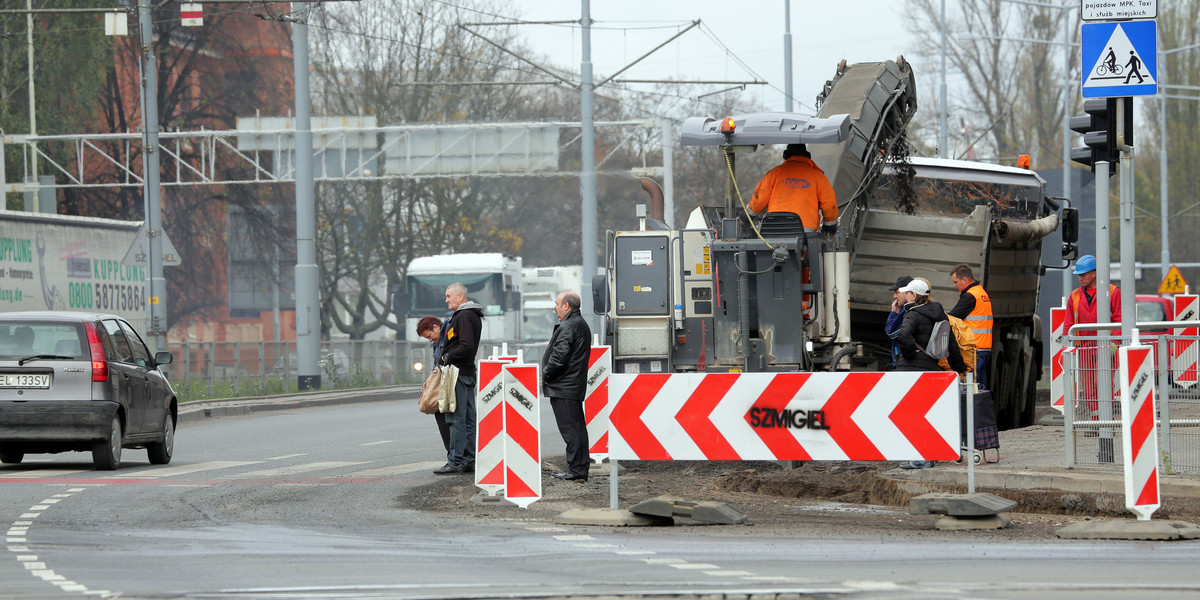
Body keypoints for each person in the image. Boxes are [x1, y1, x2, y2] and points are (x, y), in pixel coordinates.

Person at [895, 279, 968, 469]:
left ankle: (920, 459)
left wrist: (910, 354)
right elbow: (951, 344)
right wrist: (960, 369)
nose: (906, 295)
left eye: (908, 293)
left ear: (914, 296)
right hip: (930, 369)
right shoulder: (940, 315)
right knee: (927, 414)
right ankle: (930, 455)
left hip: (911, 371)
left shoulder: (913, 314)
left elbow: (903, 336)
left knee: (912, 415)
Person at [1063, 255, 1122, 423]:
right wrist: (1067, 346)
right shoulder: (1074, 296)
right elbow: (1068, 323)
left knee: (1102, 383)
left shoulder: (1111, 292)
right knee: (1089, 386)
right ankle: (1096, 419)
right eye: (1079, 275)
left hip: (1105, 346)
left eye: (1084, 274)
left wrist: (1114, 343)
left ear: (1094, 273)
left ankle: (1107, 419)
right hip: (1084, 347)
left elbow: (1118, 319)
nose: (1080, 278)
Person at [541, 291, 593, 483]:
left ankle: (577, 470)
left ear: (566, 306)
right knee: (577, 428)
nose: (554, 307)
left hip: (564, 386)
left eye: (556, 303)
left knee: (571, 430)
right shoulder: (578, 324)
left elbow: (558, 357)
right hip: (571, 385)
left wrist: (546, 375)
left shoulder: (569, 326)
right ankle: (579, 467)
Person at [434, 283, 483, 475]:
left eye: (448, 296)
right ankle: (470, 460)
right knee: (469, 419)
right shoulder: (471, 315)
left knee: (456, 419)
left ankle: (455, 461)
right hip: (467, 373)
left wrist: (446, 357)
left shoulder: (463, 316)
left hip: (457, 373)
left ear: (460, 296)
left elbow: (466, 346)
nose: (446, 300)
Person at [748, 143, 838, 234]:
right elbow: (829, 205)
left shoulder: (774, 173)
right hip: (805, 231)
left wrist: (746, 216)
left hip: (774, 228)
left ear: (786, 155)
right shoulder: (818, 177)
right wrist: (829, 226)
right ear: (807, 156)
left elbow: (759, 199)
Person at [948, 264, 993, 389]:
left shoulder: (970, 296)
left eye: (956, 282)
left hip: (974, 350)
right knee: (979, 387)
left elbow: (952, 318)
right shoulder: (980, 292)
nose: (954, 285)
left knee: (972, 388)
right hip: (983, 348)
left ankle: (975, 408)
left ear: (964, 280)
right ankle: (981, 408)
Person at [416, 315, 451, 453]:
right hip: (442, 385)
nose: (430, 340)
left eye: (429, 336)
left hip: (450, 383)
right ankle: (452, 455)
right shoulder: (437, 342)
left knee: (451, 420)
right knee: (440, 414)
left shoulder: (449, 336)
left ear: (436, 327)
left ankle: (457, 457)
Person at [884, 275, 914, 369]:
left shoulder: (907, 310)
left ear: (907, 292)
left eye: (897, 292)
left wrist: (893, 313)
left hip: (907, 363)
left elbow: (891, 332)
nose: (894, 296)